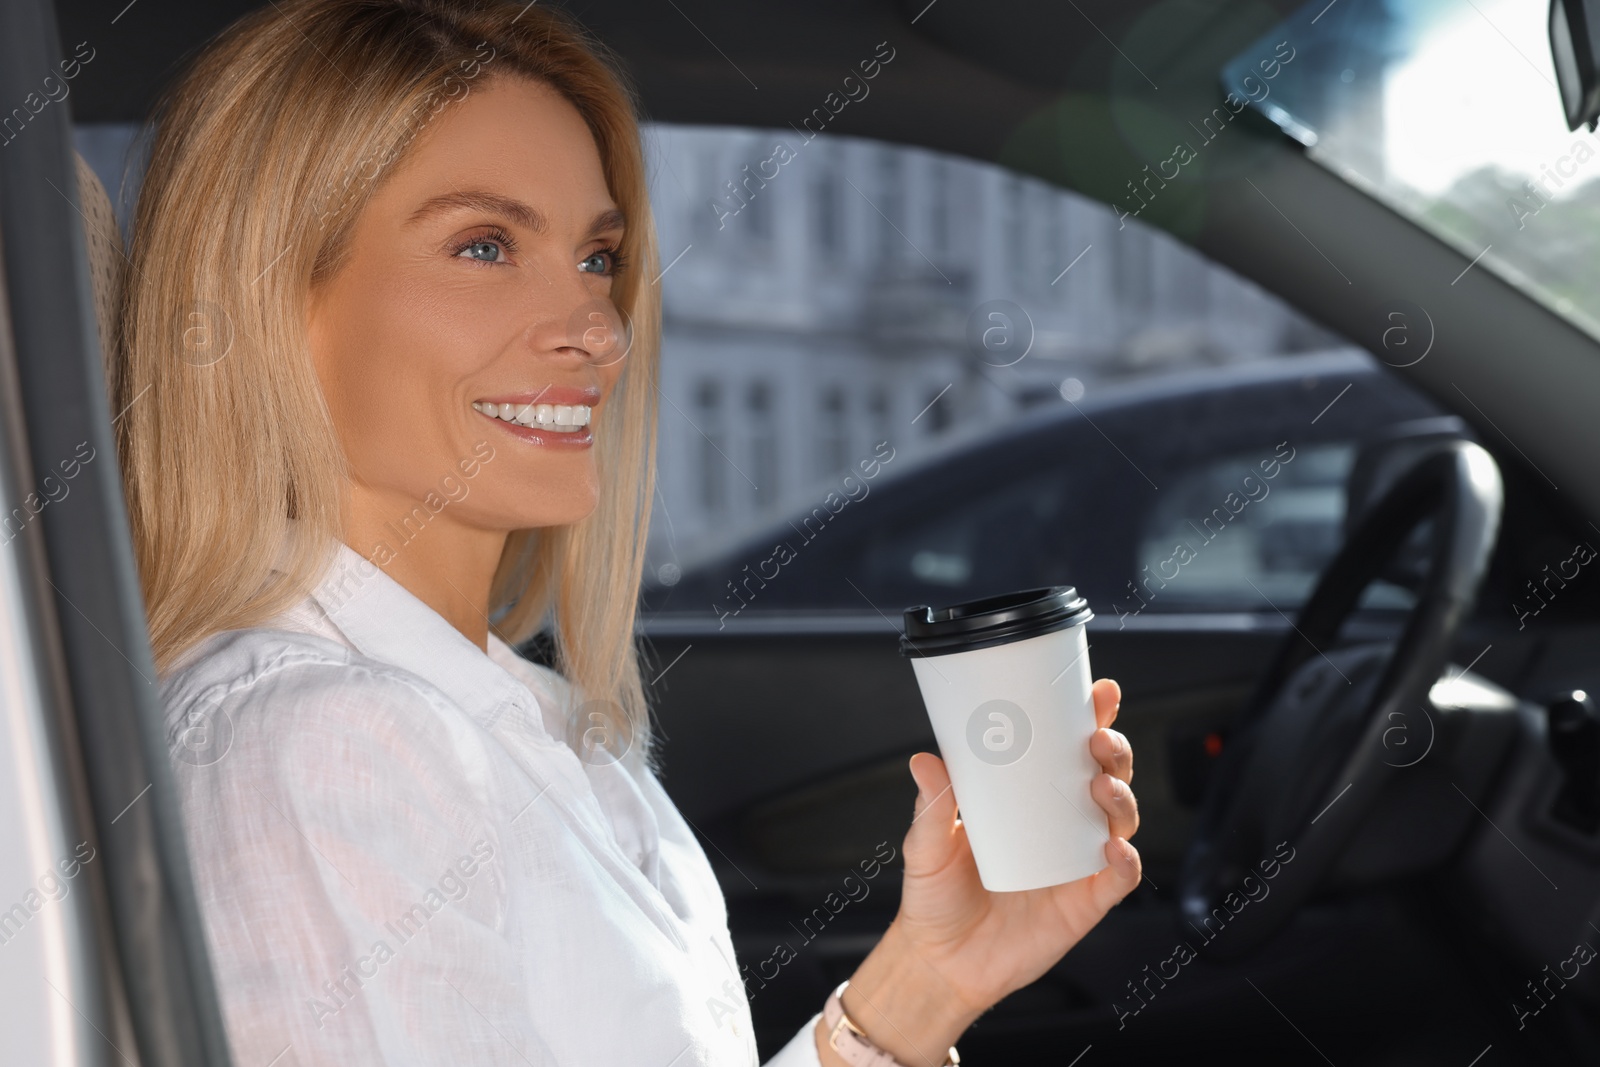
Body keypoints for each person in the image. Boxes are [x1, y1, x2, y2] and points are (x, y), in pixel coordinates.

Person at [116, 1, 1143, 1063]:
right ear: (270, 301)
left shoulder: (495, 706)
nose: (598, 331)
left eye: (596, 256)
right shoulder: (328, 743)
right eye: (484, 245)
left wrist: (925, 982)